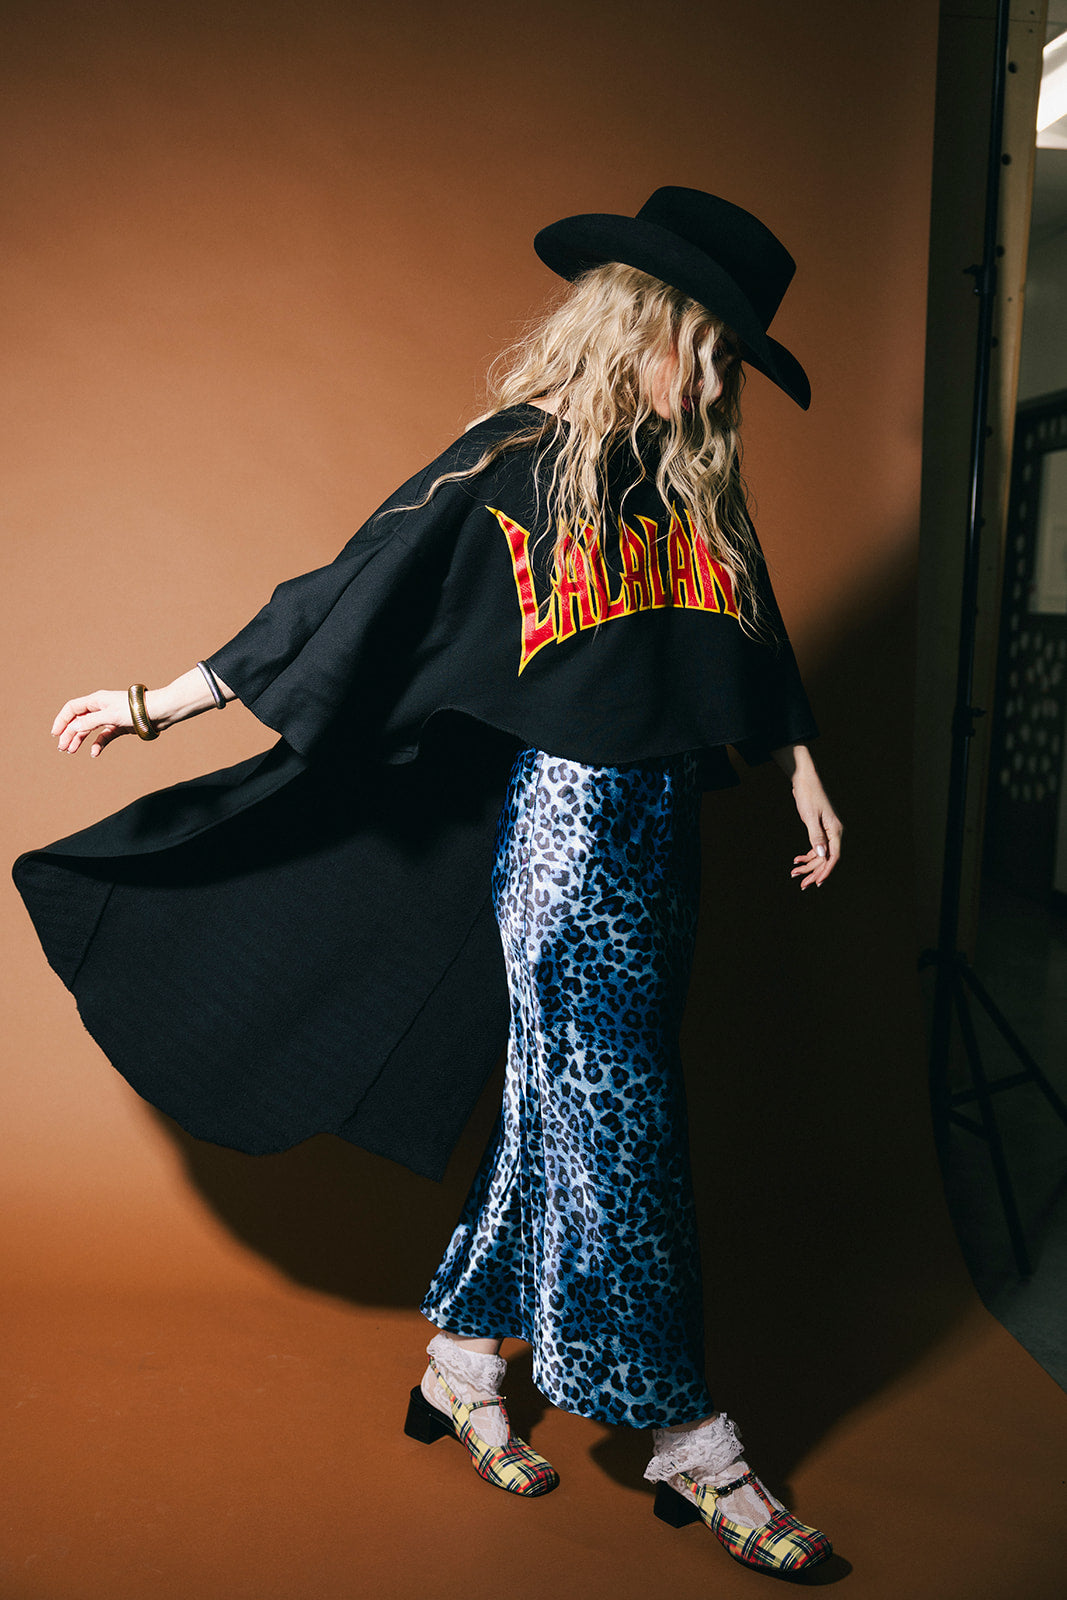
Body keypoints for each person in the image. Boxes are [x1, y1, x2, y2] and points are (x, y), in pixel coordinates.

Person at [17, 187, 842, 1577]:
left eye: (727, 360)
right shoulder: (517, 457)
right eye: (698, 347)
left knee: (554, 1095)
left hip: (664, 837)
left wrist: (804, 765)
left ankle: (463, 1361)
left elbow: (745, 630)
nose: (711, 381)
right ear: (633, 322)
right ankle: (693, 1444)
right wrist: (159, 704)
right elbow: (350, 594)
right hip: (567, 839)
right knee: (621, 1110)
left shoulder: (696, 477)